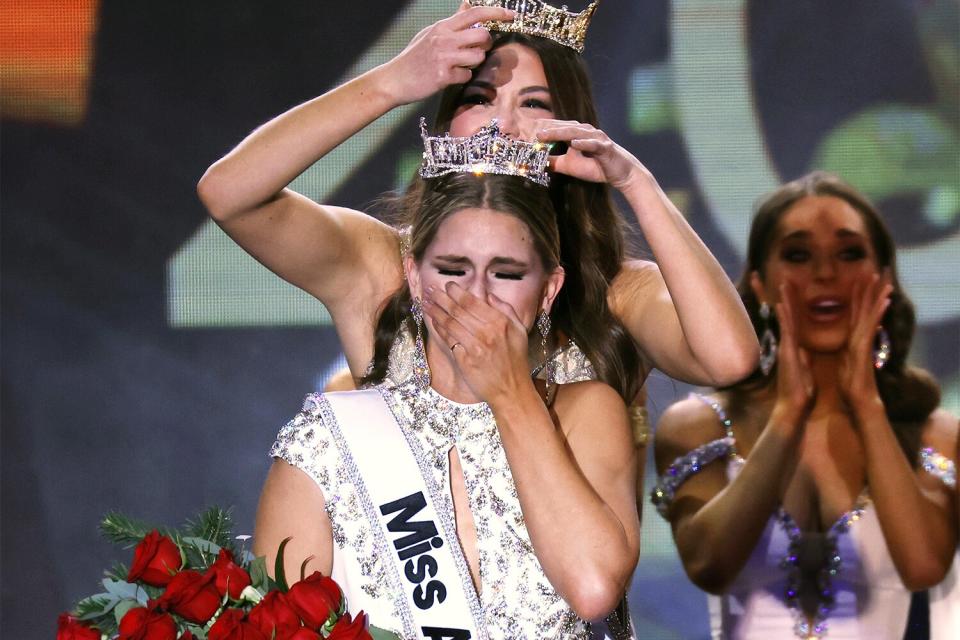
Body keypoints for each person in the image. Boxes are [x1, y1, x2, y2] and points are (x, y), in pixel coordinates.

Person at [195, 2, 758, 394]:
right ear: (445, 120)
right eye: (480, 98)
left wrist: (637, 183)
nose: (502, 125)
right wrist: (391, 83)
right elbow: (229, 195)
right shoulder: (382, 264)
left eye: (534, 104)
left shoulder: (616, 290)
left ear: (574, 127)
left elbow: (729, 359)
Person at [253, 169, 641, 637]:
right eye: (453, 270)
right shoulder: (328, 440)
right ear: (415, 278)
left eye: (507, 273)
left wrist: (508, 389)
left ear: (549, 291)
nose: (477, 296)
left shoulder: (586, 414)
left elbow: (594, 588)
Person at [652, 171, 959, 639]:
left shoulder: (934, 434)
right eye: (798, 254)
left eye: (849, 253)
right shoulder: (700, 426)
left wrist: (867, 407)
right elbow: (708, 564)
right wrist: (788, 414)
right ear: (759, 283)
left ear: (884, 280)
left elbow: (922, 565)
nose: (825, 274)